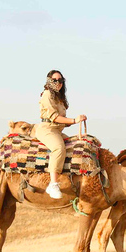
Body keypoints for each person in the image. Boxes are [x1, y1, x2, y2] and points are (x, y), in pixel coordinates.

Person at [33, 70, 87, 199]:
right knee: (59, 148)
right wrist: (74, 120)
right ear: (49, 81)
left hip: (58, 130)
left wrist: (77, 120)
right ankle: (53, 184)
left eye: (61, 80)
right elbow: (54, 117)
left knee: (75, 144)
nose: (58, 83)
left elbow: (63, 121)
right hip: (47, 129)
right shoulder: (47, 95)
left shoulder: (59, 98)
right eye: (55, 80)